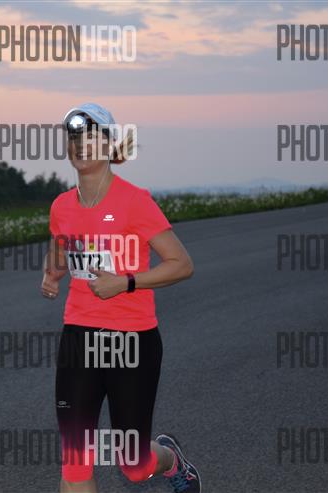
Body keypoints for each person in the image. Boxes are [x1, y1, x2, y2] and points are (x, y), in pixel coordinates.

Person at [41, 103, 200, 493]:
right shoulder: (61, 206)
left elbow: (181, 264)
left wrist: (125, 282)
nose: (81, 145)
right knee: (75, 461)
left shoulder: (135, 201)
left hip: (132, 340)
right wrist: (52, 273)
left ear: (109, 145)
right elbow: (60, 251)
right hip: (78, 336)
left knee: (133, 466)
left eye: (91, 137)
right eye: (74, 138)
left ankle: (170, 460)